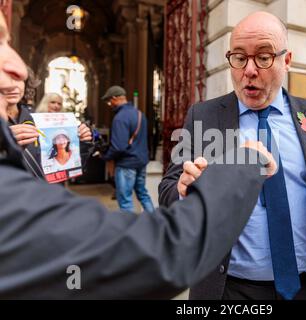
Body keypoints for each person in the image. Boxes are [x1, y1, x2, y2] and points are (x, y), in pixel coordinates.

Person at [0, 10, 278, 298]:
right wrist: (244, 165)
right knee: (133, 199)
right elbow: (163, 250)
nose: (20, 68)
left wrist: (90, 148)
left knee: (129, 197)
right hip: (144, 175)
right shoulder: (198, 114)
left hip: (127, 164)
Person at [158, 11, 306, 300]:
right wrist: (182, 190)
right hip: (229, 288)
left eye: (263, 57)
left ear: (286, 60)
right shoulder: (204, 116)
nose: (249, 70)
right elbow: (168, 189)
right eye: (239, 57)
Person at [101, 85, 155, 213]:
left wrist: (105, 156)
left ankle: (130, 229)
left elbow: (119, 147)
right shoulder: (140, 114)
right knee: (143, 194)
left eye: (109, 101)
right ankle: (155, 223)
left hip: (126, 164)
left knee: (125, 201)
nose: (109, 104)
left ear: (115, 98)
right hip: (141, 161)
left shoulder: (120, 118)